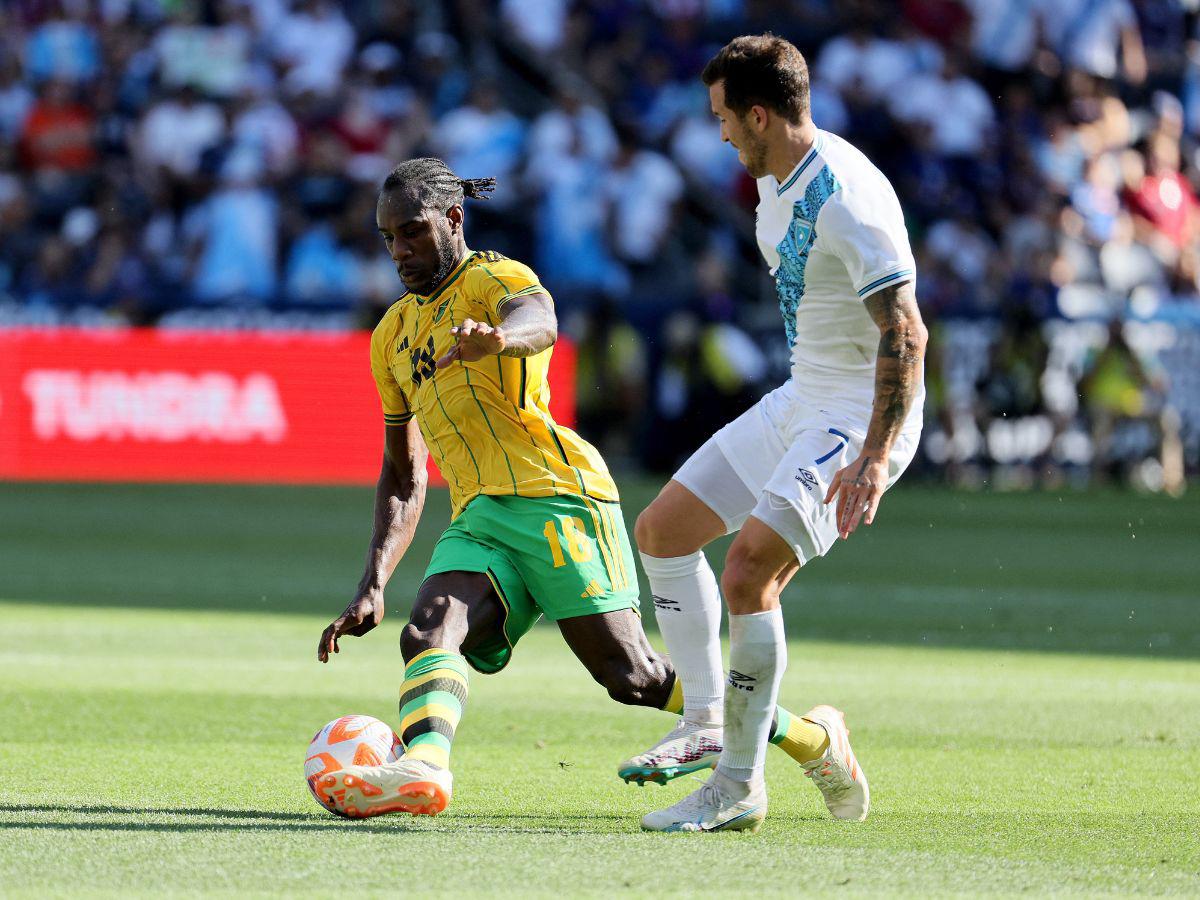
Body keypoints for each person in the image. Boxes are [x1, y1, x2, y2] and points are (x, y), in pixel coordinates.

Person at [313, 157, 818, 818]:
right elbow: (405, 474)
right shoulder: (392, 336)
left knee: (632, 677)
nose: (399, 250)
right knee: (429, 629)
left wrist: (500, 339)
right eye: (388, 237)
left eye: (412, 231)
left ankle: (809, 735)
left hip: (557, 498)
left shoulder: (497, 278)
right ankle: (423, 769)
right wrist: (374, 583)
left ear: (454, 219)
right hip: (479, 517)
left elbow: (541, 321)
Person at [627, 35, 927, 833]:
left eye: (725, 117)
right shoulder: (777, 176)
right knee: (660, 533)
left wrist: (873, 454)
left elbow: (906, 332)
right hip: (803, 397)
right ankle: (714, 723)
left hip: (857, 415)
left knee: (748, 570)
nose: (720, 133)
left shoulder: (846, 196)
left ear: (760, 114)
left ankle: (738, 783)